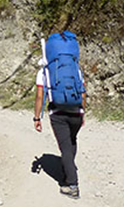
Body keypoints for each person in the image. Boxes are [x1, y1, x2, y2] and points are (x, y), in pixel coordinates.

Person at [34, 57, 86, 199]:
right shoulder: (75, 68)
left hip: (58, 113)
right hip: (77, 111)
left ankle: (72, 185)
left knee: (65, 147)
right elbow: (82, 92)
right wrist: (82, 113)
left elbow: (40, 96)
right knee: (72, 139)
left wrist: (37, 118)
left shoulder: (43, 72)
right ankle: (68, 168)